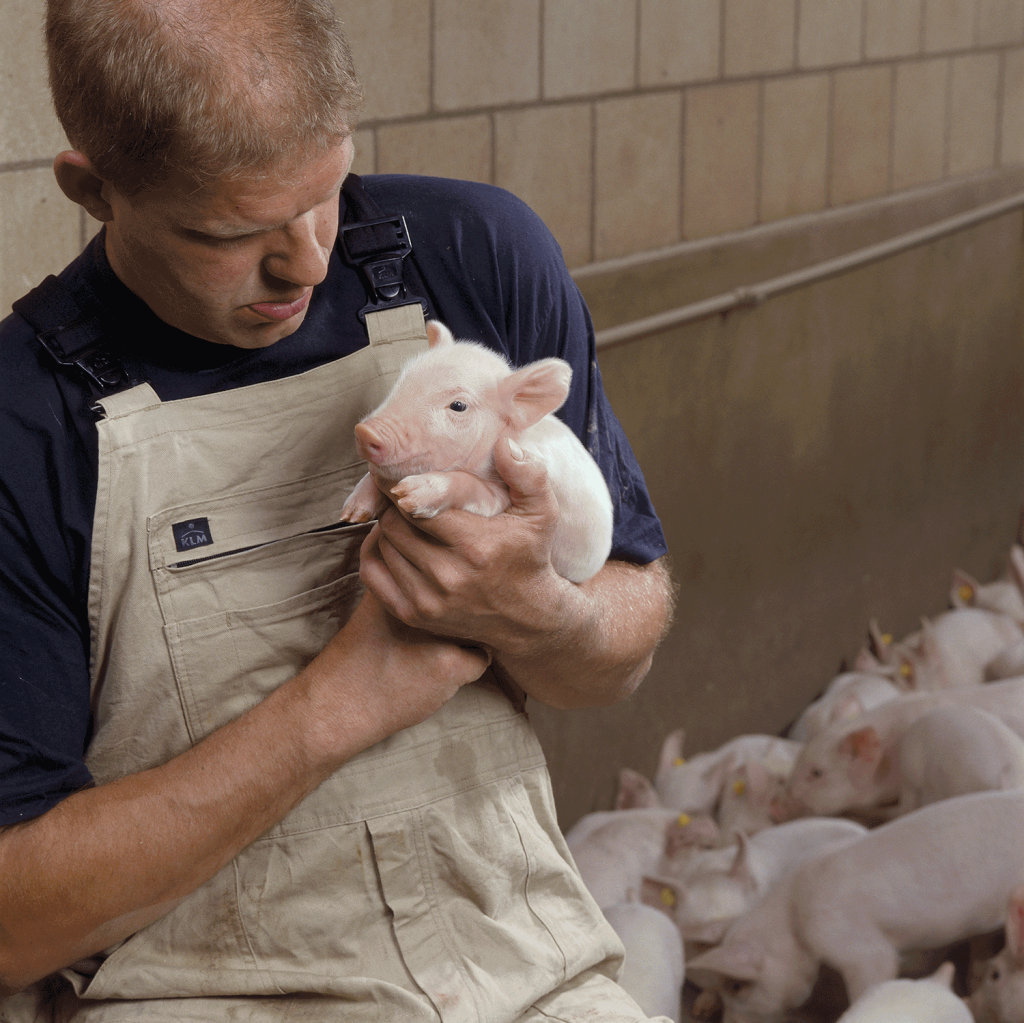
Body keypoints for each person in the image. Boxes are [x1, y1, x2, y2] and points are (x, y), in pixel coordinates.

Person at [0, 1, 673, 1020]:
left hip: (524, 976)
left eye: (323, 193)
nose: (307, 263)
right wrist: (341, 701)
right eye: (228, 232)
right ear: (91, 190)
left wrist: (540, 613)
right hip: (196, 998)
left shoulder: (481, 258)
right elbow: (16, 926)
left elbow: (625, 640)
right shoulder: (23, 418)